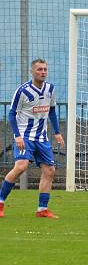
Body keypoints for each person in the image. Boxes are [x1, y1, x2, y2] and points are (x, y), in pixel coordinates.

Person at [0, 59, 65, 218]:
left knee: (49, 170)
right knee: (21, 166)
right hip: (25, 136)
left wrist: (57, 132)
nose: (43, 72)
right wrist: (17, 136)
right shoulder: (22, 91)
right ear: (32, 71)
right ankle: (1, 202)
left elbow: (51, 111)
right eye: (39, 69)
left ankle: (42, 209)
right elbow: (11, 114)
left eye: (45, 69)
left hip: (41, 138)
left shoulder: (50, 89)